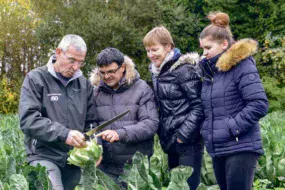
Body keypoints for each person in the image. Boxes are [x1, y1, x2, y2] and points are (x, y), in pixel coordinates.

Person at [198, 12, 269, 190]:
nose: (204, 53)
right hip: (219, 148)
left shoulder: (243, 65)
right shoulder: (210, 72)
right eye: (202, 49)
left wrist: (232, 127)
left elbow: (259, 104)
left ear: (224, 44)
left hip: (241, 147)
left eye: (208, 47)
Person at [19, 34, 96, 190]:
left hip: (74, 160)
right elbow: (28, 120)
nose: (76, 67)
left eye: (80, 62)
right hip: (44, 155)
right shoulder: (36, 78)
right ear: (58, 52)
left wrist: (94, 148)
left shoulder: (84, 84)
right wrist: (64, 134)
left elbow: (91, 121)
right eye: (72, 60)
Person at [143, 26, 204, 190]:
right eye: (148, 50)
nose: (151, 55)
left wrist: (183, 135)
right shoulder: (157, 72)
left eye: (154, 49)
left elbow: (199, 106)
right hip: (171, 143)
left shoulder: (184, 70)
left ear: (168, 46)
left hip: (188, 143)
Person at [89, 47, 159, 186]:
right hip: (105, 167)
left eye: (111, 71)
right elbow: (91, 125)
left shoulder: (142, 89)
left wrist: (119, 134)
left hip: (135, 168)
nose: (106, 76)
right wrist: (96, 147)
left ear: (123, 67)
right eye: (102, 72)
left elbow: (150, 123)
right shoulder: (95, 93)